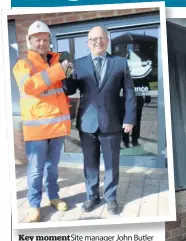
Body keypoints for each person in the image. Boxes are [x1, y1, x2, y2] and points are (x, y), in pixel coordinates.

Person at [63, 26, 136, 215]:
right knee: (90, 163)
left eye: (101, 38)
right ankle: (92, 196)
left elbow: (129, 92)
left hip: (112, 122)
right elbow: (70, 90)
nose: (98, 41)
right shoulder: (78, 64)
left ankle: (111, 198)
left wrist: (129, 118)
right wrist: (67, 74)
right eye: (93, 39)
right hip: (87, 123)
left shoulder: (119, 63)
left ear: (107, 40)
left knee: (112, 163)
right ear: (88, 43)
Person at [13, 21, 72, 222]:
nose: (42, 42)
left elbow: (62, 92)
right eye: (38, 39)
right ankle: (34, 205)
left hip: (56, 127)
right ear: (29, 41)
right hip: (37, 131)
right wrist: (59, 71)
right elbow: (29, 87)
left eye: (46, 39)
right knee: (36, 171)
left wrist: (69, 76)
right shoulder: (23, 65)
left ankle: (54, 196)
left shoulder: (58, 62)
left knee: (52, 168)